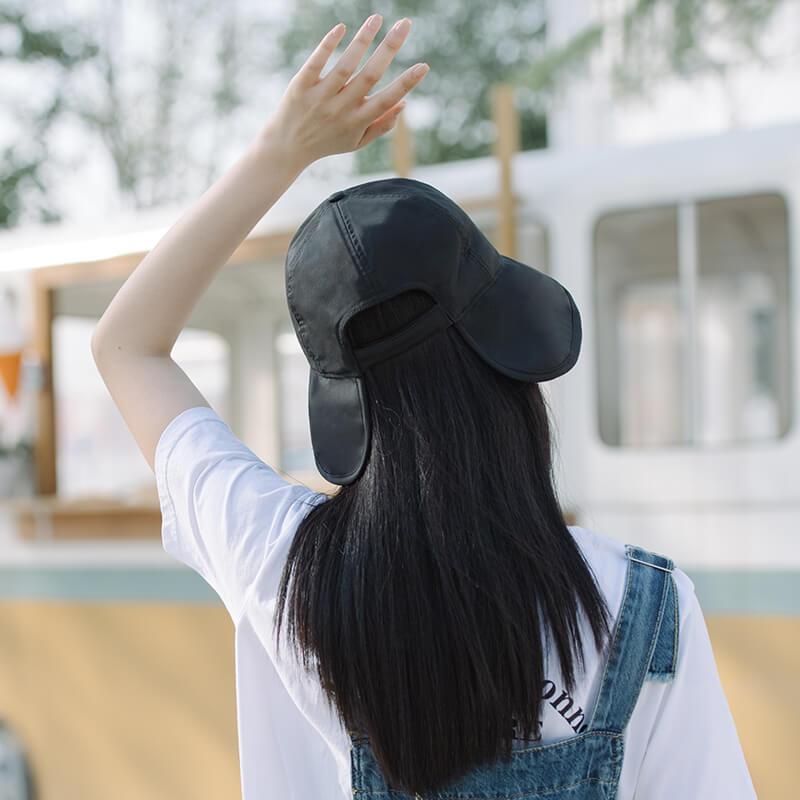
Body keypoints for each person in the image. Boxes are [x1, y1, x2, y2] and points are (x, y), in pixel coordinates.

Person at [91, 14, 756, 800]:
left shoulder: (276, 566)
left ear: (347, 406)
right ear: (509, 364)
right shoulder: (639, 604)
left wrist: (284, 151)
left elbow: (126, 345)